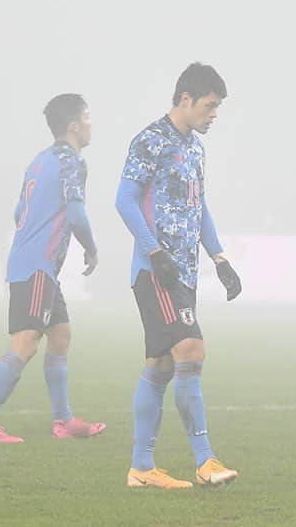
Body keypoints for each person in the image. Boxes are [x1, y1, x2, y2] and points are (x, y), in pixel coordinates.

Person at [116, 62, 243, 490]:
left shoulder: (195, 147)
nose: (213, 116)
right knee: (191, 350)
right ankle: (205, 460)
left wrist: (220, 258)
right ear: (185, 99)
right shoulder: (151, 141)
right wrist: (154, 252)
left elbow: (198, 206)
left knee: (161, 365)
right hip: (158, 272)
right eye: (209, 106)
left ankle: (141, 468)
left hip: (183, 272)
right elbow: (125, 200)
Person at [0, 94, 105, 443]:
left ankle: (64, 422)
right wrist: (90, 247)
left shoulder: (40, 160)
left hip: (33, 263)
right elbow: (75, 213)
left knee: (60, 336)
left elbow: (19, 211)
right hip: (37, 266)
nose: (91, 124)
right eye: (87, 117)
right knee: (26, 342)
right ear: (73, 125)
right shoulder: (72, 163)